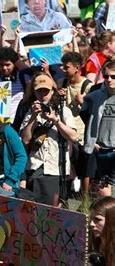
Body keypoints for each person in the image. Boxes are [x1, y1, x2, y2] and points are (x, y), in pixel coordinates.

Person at [20, 74, 77, 206]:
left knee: (53, 211)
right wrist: (33, 117)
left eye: (46, 91)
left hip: (56, 168)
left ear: (52, 91)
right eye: (39, 91)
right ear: (34, 93)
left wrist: (56, 121)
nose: (43, 95)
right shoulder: (30, 113)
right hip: (36, 166)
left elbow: (73, 136)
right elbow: (25, 140)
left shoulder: (64, 111)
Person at [58, 52, 94, 198]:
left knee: (84, 166)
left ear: (77, 68)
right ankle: (68, 193)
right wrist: (58, 97)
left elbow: (92, 112)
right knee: (69, 164)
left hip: (82, 132)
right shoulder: (62, 83)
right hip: (67, 131)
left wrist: (81, 103)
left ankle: (85, 197)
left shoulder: (87, 86)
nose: (63, 70)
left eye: (67, 67)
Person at [80, 60, 115, 197]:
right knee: (105, 192)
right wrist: (92, 140)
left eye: (113, 76)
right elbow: (86, 116)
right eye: (106, 76)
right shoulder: (95, 95)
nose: (109, 80)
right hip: (102, 149)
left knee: (108, 191)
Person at [88, 196, 115, 266]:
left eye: (97, 219)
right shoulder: (94, 242)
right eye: (91, 218)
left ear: (111, 220)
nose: (91, 224)